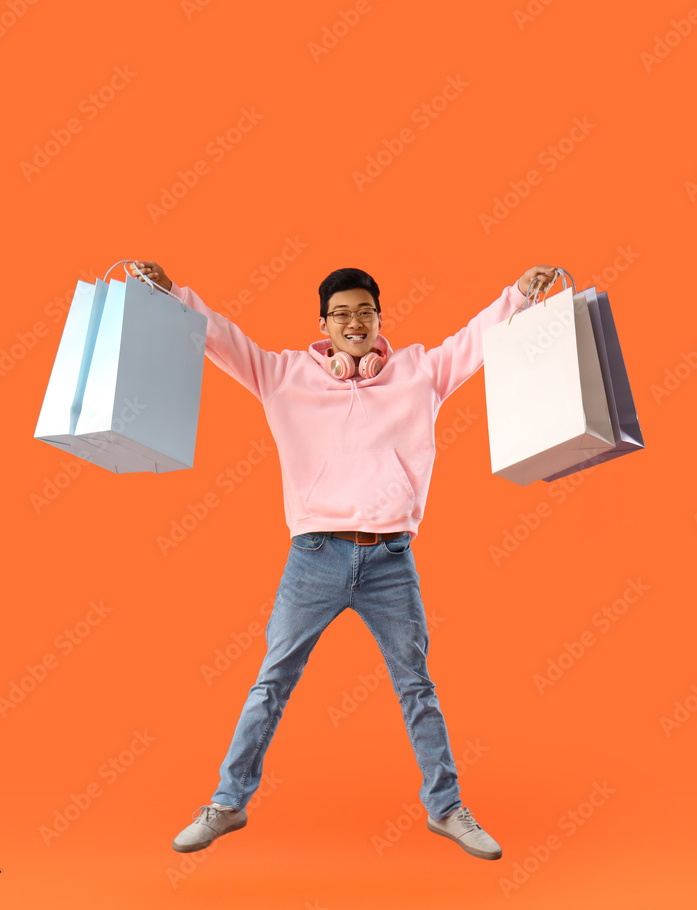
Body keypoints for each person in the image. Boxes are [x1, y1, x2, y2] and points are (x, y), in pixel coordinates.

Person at [130, 259, 558, 862]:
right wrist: (172, 292)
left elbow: (476, 341)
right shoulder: (282, 375)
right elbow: (219, 336)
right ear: (324, 326)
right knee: (270, 682)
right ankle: (227, 803)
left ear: (379, 320)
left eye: (365, 311)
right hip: (314, 556)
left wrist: (518, 293)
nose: (354, 322)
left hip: (390, 559)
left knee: (417, 687)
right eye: (342, 314)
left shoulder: (419, 372)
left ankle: (446, 808)